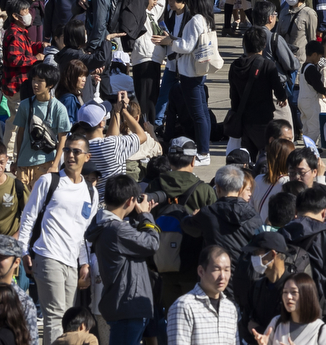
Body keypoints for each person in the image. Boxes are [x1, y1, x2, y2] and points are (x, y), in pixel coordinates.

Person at [17, 134, 100, 345]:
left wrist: (85, 263)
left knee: (68, 318)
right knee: (54, 317)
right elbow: (29, 216)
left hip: (72, 261)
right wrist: (23, 251)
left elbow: (84, 233)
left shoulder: (91, 192)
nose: (70, 155)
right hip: (47, 255)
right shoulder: (49, 181)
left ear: (87, 157)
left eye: (76, 151)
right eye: (67, 150)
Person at [87, 175, 161, 345]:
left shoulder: (105, 224)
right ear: (130, 201)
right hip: (128, 305)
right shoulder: (116, 229)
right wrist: (145, 215)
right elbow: (152, 243)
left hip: (126, 303)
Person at [167, 245, 239, 345]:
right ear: (201, 271)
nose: (222, 276)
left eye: (226, 270)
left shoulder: (230, 309)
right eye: (216, 269)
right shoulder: (184, 306)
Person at [260, 274, 326, 345]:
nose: (288, 297)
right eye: (285, 292)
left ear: (307, 295)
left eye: (294, 292)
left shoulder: (322, 330)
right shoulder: (276, 322)